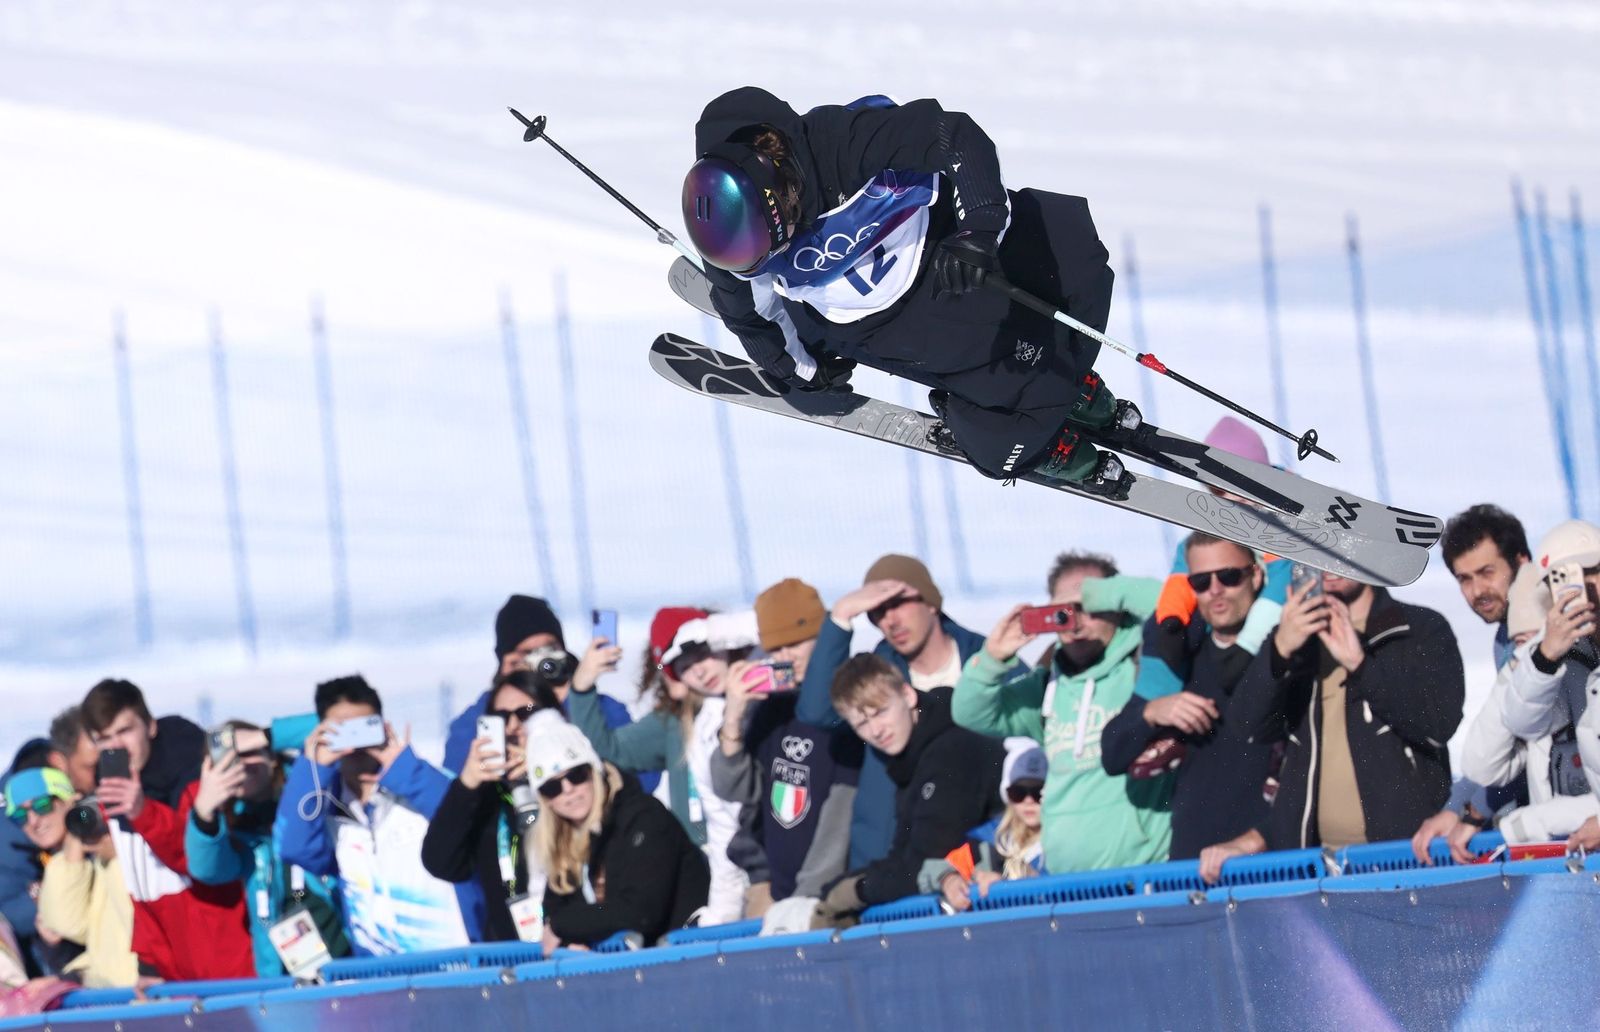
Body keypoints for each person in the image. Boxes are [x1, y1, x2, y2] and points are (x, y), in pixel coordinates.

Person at [685, 88, 1133, 492]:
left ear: (774, 180)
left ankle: (1072, 388)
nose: (769, 254)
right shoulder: (732, 243)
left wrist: (978, 229)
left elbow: (953, 137)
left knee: (1049, 306)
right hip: (876, 326)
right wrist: (800, 372)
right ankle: (1049, 440)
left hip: (943, 258)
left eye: (771, 236)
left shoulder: (839, 142)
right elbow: (750, 313)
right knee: (1000, 424)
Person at [1198, 573, 1465, 881]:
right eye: (1317, 548)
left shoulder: (1419, 629)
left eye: (1340, 545)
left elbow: (1438, 725)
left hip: (1409, 862)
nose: (1327, 562)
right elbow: (1248, 727)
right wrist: (1280, 649)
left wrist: (1361, 665)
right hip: (1318, 872)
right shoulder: (1297, 640)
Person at [953, 552, 1171, 871]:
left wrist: (1103, 591)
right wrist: (993, 657)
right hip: (1066, 880)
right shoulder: (1047, 686)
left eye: (1090, 606)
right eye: (1064, 611)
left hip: (1140, 871)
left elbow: (1176, 606)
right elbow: (969, 713)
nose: (1076, 622)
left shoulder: (1146, 663)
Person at [798, 553, 1018, 869]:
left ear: (930, 602)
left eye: (899, 603)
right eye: (877, 612)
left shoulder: (989, 662)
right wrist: (842, 616)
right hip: (891, 861)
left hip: (985, 857)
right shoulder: (879, 675)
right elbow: (817, 712)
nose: (890, 620)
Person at [570, 611, 758, 924]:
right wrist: (582, 685)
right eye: (672, 665)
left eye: (700, 653)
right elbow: (607, 748)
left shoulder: (756, 699)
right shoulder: (672, 723)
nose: (694, 670)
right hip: (704, 876)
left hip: (757, 864)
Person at [1101, 535, 1281, 859]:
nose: (1215, 590)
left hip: (1271, 858)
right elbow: (1112, 754)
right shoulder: (1181, 652)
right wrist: (1152, 712)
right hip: (1194, 864)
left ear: (1256, 575)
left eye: (1229, 577)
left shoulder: (1287, 647)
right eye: (1200, 581)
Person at [276, 675, 469, 956]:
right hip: (377, 974)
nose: (354, 743)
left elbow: (463, 818)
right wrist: (312, 769)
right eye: (340, 731)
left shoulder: (421, 784)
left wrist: (404, 769)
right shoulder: (327, 808)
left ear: (382, 725)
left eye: (364, 728)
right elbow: (295, 847)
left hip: (451, 965)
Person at [810, 656, 1005, 927]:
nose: (876, 731)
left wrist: (854, 891)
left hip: (1004, 899)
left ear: (908, 695)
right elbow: (905, 854)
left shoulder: (953, 749)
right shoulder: (912, 758)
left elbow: (928, 859)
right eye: (861, 724)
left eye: (880, 712)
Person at [80, 679, 253, 982]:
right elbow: (142, 889)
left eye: (125, 731)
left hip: (231, 968)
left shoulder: (196, 775)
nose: (116, 746)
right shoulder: (114, 791)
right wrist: (149, 966)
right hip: (177, 978)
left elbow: (198, 863)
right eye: (104, 739)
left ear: (150, 726)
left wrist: (143, 812)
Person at [711, 579, 862, 916]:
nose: (786, 657)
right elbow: (734, 787)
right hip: (775, 891)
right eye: (776, 648)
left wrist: (807, 895)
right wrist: (733, 716)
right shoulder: (772, 708)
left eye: (796, 643)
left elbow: (842, 810)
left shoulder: (848, 700)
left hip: (829, 893)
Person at [1410, 504, 1533, 862]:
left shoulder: (1554, 633)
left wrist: (1474, 810)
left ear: (1521, 561)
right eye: (1464, 578)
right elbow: (1505, 739)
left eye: (1486, 572)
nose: (1478, 590)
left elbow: (1537, 745)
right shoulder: (1506, 638)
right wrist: (1455, 806)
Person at [526, 719, 709, 952]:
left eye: (576, 775)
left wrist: (565, 926)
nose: (568, 790)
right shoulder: (567, 845)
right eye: (552, 787)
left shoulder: (644, 818)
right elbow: (555, 911)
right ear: (545, 801)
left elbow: (641, 911)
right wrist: (570, 936)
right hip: (631, 969)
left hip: (688, 956)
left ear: (595, 771)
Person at [184, 720, 348, 975]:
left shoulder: (312, 785)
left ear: (271, 756)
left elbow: (340, 726)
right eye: (226, 760)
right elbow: (208, 870)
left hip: (345, 951)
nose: (239, 764)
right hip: (285, 974)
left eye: (247, 753)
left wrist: (265, 735)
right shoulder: (234, 825)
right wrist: (204, 812)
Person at [421, 671, 562, 942]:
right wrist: (466, 785)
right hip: (512, 959)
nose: (512, 727)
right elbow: (441, 862)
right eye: (501, 717)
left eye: (526, 713)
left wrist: (544, 773)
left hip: (577, 951)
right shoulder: (487, 799)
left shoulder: (577, 782)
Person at [443, 595, 644, 785]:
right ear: (507, 661)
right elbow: (455, 775)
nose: (543, 661)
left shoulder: (597, 706)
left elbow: (644, 776)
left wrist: (572, 700)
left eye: (550, 649)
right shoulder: (483, 715)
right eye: (529, 653)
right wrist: (510, 688)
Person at [1501, 521, 1600, 852]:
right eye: (1568, 579)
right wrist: (1545, 657)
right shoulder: (1564, 655)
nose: (1585, 588)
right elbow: (1519, 724)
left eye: (1592, 571)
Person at [922, 745, 1048, 913]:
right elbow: (929, 870)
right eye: (1017, 792)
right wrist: (948, 879)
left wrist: (1009, 886)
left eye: (1038, 792)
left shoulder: (1069, 841)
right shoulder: (990, 841)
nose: (1028, 800)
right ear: (1007, 796)